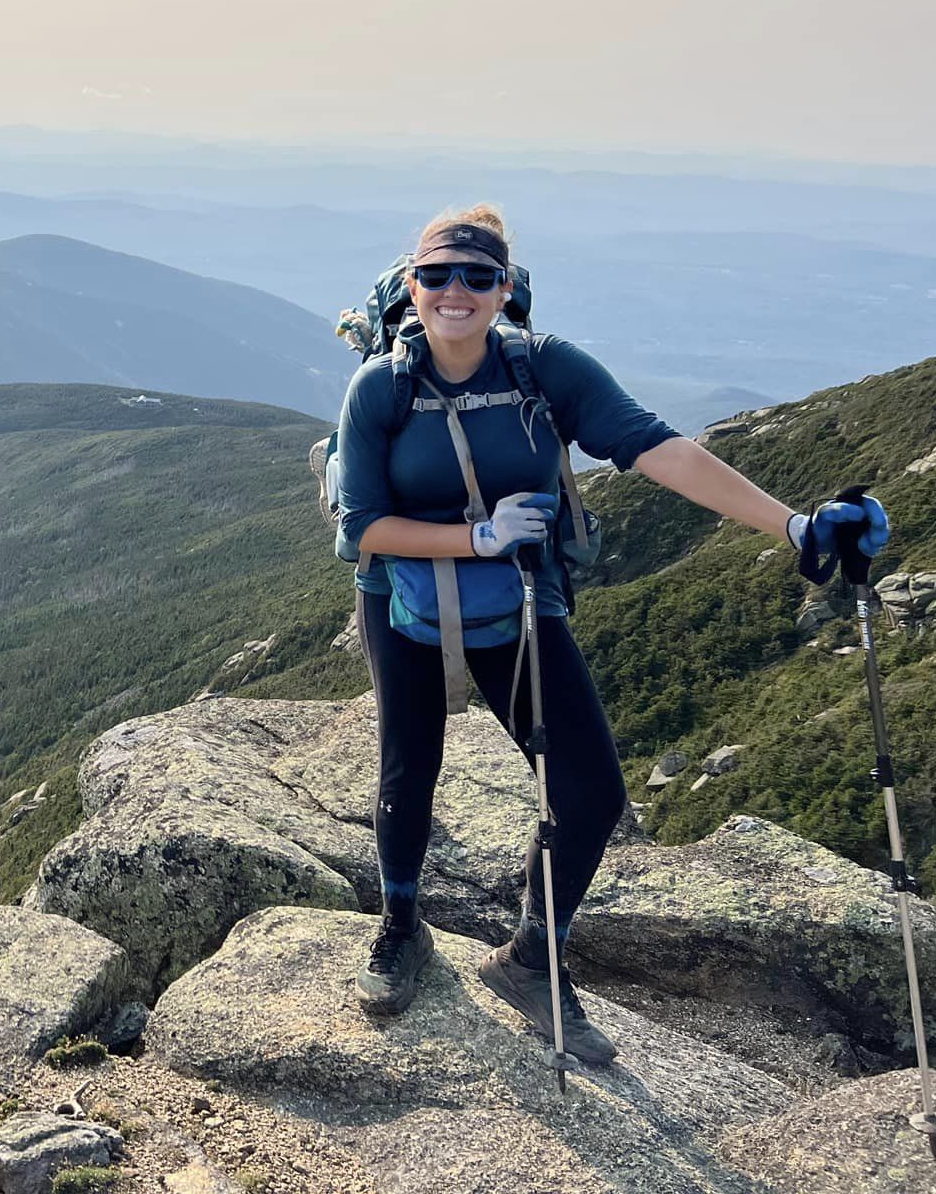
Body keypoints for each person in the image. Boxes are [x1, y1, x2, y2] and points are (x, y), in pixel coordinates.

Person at [332, 203, 890, 1066]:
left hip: (522, 595)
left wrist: (795, 529)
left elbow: (654, 447)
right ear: (413, 287)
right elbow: (363, 524)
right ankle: (401, 928)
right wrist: (474, 537)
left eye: (478, 278)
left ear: (504, 289)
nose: (457, 292)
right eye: (438, 276)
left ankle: (533, 957)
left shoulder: (544, 368)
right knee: (411, 767)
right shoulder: (381, 387)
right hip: (400, 589)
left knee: (590, 792)